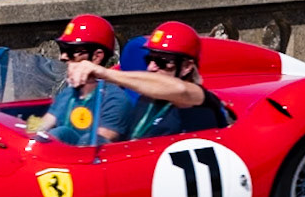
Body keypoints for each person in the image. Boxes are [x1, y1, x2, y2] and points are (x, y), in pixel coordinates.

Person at [64, 20, 228, 139]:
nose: (151, 67)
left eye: (162, 62)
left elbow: (181, 90)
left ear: (186, 67)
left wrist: (104, 73)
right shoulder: (148, 100)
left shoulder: (199, 99)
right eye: (149, 59)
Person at [38, 14, 131, 144]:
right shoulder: (68, 93)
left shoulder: (114, 99)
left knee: (66, 134)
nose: (63, 57)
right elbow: (42, 126)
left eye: (71, 51)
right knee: (58, 133)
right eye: (63, 49)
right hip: (57, 159)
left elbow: (96, 147)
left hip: (89, 161)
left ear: (97, 57)